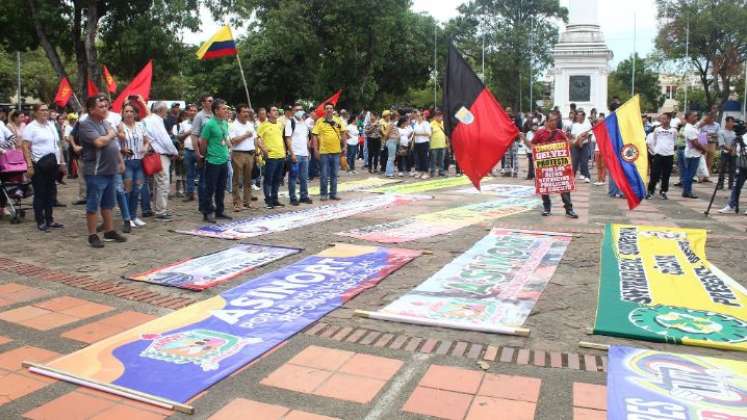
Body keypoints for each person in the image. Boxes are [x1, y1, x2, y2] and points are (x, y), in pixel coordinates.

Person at [77, 95, 127, 247]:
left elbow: (113, 144)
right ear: (91, 109)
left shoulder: (104, 122)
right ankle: (92, 234)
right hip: (96, 171)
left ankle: (109, 230)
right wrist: (111, 134)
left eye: (106, 106)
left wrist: (120, 160)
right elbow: (99, 142)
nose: (105, 108)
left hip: (110, 170)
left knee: (108, 203)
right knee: (93, 204)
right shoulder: (86, 125)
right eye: (101, 106)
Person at [21, 103, 66, 231]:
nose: (45, 112)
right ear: (35, 112)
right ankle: (40, 220)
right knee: (40, 193)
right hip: (38, 163)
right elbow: (25, 147)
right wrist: (29, 165)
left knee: (50, 192)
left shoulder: (51, 125)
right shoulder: (31, 128)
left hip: (52, 163)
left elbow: (57, 144)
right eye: (42, 110)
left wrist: (62, 162)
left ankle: (49, 219)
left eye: (46, 110)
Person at [529, 111, 578, 218]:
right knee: (544, 186)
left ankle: (569, 209)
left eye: (555, 120)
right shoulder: (539, 133)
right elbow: (532, 145)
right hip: (544, 167)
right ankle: (547, 208)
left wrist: (577, 140)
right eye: (551, 120)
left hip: (559, 167)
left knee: (564, 186)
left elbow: (568, 145)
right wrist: (536, 151)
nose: (554, 122)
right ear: (546, 121)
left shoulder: (560, 133)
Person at [143, 102, 179, 219]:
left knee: (157, 183)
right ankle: (161, 210)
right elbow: (164, 139)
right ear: (162, 110)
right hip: (161, 154)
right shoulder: (156, 121)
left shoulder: (149, 119)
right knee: (163, 183)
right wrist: (174, 151)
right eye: (166, 110)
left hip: (155, 153)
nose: (167, 112)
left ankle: (158, 208)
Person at [199, 99, 232, 223]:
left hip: (224, 159)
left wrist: (229, 148)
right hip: (213, 161)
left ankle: (219, 211)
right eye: (223, 109)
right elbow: (203, 142)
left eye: (226, 109)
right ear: (216, 110)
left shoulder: (224, 123)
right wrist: (205, 155)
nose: (226, 111)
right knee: (210, 188)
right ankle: (207, 212)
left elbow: (225, 137)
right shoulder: (210, 124)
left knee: (220, 188)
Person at [119, 102, 150, 228]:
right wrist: (123, 150)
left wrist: (145, 148)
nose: (129, 113)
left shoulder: (140, 125)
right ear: (123, 113)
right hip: (127, 161)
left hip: (139, 161)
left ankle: (133, 215)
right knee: (128, 190)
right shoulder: (119, 126)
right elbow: (116, 144)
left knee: (137, 189)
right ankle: (127, 218)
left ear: (135, 113)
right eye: (126, 111)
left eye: (131, 111)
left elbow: (147, 141)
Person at [312, 104, 346, 200]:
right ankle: (323, 194)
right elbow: (314, 136)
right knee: (324, 174)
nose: (329, 110)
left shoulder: (338, 120)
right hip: (324, 152)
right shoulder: (319, 121)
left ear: (333, 110)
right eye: (327, 108)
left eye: (330, 108)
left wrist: (345, 146)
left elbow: (343, 133)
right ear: (324, 110)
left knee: (334, 174)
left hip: (336, 152)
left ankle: (333, 194)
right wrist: (315, 150)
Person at [256, 106, 286, 209]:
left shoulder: (280, 124)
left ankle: (275, 199)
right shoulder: (263, 125)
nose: (276, 112)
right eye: (273, 110)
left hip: (281, 155)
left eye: (277, 110)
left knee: (277, 179)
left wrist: (284, 151)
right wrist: (264, 150)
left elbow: (281, 139)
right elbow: (258, 139)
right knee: (268, 179)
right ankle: (268, 200)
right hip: (271, 157)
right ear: (268, 114)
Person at [229, 103, 257, 211]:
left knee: (248, 180)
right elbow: (233, 141)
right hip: (238, 154)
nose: (246, 114)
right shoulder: (233, 125)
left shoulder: (250, 124)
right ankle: (236, 203)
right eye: (244, 112)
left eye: (247, 112)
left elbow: (255, 139)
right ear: (238, 113)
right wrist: (245, 135)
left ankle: (247, 202)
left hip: (250, 154)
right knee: (236, 180)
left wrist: (256, 152)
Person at [191, 95, 214, 213]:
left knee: (212, 180)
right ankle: (203, 204)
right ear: (203, 103)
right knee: (203, 180)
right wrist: (197, 153)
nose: (212, 102)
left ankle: (210, 202)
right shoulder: (199, 116)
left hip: (214, 152)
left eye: (212, 101)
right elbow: (194, 135)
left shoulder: (215, 115)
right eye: (209, 101)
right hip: (203, 151)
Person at [285, 104, 312, 206]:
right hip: (295, 155)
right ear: (292, 111)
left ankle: (304, 196)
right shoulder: (290, 122)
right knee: (293, 177)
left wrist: (308, 150)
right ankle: (293, 198)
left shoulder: (305, 123)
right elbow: (288, 139)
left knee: (304, 177)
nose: (299, 111)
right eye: (296, 110)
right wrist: (292, 153)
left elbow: (306, 138)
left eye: (300, 109)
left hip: (304, 154)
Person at [646, 113, 676, 200]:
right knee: (654, 174)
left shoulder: (673, 130)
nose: (662, 120)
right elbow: (654, 141)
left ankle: (663, 191)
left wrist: (670, 149)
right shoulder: (657, 130)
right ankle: (650, 191)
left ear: (669, 119)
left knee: (666, 175)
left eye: (664, 119)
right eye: (661, 119)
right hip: (658, 155)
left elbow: (674, 141)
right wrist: (656, 150)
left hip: (669, 155)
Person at [682, 111, 704, 199]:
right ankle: (688, 191)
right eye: (693, 116)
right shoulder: (689, 128)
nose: (696, 117)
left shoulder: (692, 127)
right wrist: (704, 149)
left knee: (689, 173)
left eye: (696, 116)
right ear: (688, 118)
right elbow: (695, 143)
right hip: (692, 154)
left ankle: (686, 191)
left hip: (693, 153)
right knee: (690, 174)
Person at [178, 104, 198, 202]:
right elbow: (180, 137)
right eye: (191, 110)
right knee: (189, 173)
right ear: (188, 112)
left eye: (195, 110)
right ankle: (190, 193)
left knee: (202, 173)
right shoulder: (183, 123)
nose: (193, 112)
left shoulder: (202, 123)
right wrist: (188, 132)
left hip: (199, 150)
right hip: (188, 151)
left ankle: (202, 193)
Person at [570, 110, 592, 183]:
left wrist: (582, 140)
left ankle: (587, 176)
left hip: (585, 145)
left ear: (583, 116)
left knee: (584, 162)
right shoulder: (574, 125)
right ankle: (572, 177)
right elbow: (573, 135)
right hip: (575, 145)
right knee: (574, 162)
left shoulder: (587, 125)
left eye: (580, 115)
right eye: (577, 115)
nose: (578, 117)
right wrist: (578, 140)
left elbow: (589, 135)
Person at [698, 112, 720, 183]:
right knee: (702, 160)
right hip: (703, 142)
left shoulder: (717, 125)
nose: (711, 119)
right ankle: (700, 177)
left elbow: (718, 135)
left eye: (713, 118)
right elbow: (700, 134)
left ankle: (707, 177)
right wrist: (709, 135)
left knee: (710, 161)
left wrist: (708, 135)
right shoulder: (703, 124)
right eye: (710, 117)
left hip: (712, 143)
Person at [717, 116, 737, 190]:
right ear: (727, 122)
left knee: (732, 169)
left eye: (733, 122)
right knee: (722, 169)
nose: (732, 123)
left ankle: (731, 184)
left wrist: (734, 150)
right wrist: (731, 149)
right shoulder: (721, 132)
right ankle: (720, 184)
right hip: (725, 153)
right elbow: (722, 144)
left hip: (733, 153)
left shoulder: (735, 133)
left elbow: (736, 143)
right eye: (731, 122)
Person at [412, 110, 432, 179]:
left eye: (419, 116)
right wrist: (413, 142)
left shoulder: (426, 123)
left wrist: (419, 134)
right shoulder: (416, 123)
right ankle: (419, 171)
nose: (417, 117)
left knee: (424, 158)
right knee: (418, 158)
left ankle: (426, 172)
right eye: (416, 116)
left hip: (424, 143)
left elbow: (429, 134)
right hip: (417, 143)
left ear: (422, 116)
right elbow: (414, 134)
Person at [429, 111, 448, 177]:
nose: (441, 117)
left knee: (441, 160)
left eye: (441, 116)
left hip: (442, 145)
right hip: (433, 145)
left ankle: (441, 172)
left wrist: (447, 142)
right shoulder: (431, 124)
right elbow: (429, 135)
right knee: (433, 160)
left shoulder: (443, 123)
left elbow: (446, 133)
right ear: (436, 117)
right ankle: (432, 172)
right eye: (439, 116)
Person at [383, 111, 400, 178]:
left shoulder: (392, 124)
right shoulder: (391, 124)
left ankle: (388, 172)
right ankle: (389, 173)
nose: (398, 117)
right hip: (391, 141)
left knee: (391, 157)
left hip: (393, 141)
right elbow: (386, 134)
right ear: (395, 117)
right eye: (397, 116)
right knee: (391, 158)